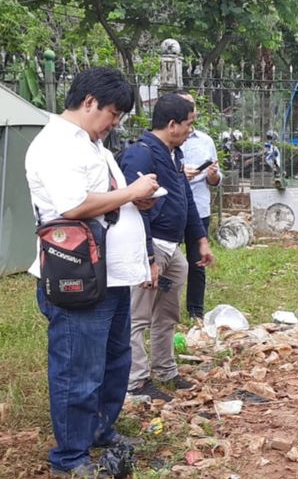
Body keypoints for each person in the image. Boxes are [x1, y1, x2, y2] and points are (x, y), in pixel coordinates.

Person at [25, 67, 160, 477]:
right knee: (78, 369)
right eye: (113, 113)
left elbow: (105, 199)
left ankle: (101, 432)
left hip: (110, 275)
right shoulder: (55, 145)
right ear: (88, 103)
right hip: (77, 275)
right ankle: (71, 458)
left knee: (113, 362)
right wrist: (132, 192)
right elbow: (72, 206)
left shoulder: (91, 144)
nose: (114, 123)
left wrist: (137, 201)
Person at [119, 93, 215, 402]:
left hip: (172, 251)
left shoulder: (174, 154)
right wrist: (148, 256)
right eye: (189, 124)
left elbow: (185, 200)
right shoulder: (141, 155)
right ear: (172, 124)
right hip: (151, 249)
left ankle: (165, 369)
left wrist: (199, 238)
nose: (191, 130)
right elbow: (136, 209)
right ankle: (136, 380)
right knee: (139, 315)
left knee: (167, 312)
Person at [176, 90, 222, 320]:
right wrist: (180, 172)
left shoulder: (206, 141)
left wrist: (212, 174)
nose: (190, 111)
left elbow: (216, 179)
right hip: (173, 208)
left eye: (192, 106)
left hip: (199, 207)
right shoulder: (168, 139)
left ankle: (196, 311)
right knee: (168, 261)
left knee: (198, 261)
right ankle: (165, 310)